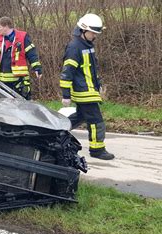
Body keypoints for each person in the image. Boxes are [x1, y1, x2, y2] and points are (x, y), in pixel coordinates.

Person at [59, 13, 114, 160]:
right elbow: (67, 73)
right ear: (83, 30)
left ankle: (55, 131)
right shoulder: (74, 47)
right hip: (83, 92)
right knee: (97, 121)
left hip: (89, 90)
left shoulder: (87, 45)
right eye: (93, 33)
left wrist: (99, 85)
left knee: (80, 117)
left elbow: (91, 69)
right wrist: (66, 95)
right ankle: (97, 150)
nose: (95, 36)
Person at [0, 16, 42, 100]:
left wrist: (37, 68)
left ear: (6, 27)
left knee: (22, 104)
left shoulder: (22, 37)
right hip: (2, 81)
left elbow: (32, 54)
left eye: (0, 27)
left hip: (19, 80)